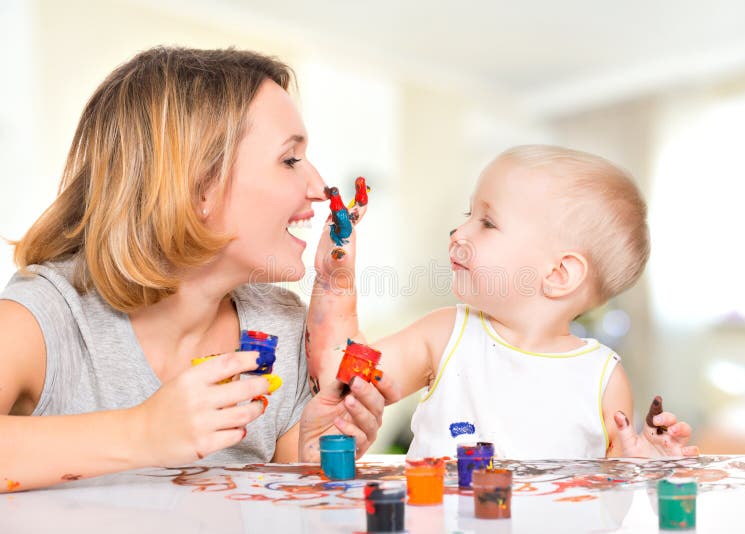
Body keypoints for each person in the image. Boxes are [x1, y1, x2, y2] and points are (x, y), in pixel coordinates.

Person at [0, 47, 390, 493]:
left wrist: (313, 456)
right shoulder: (46, 316)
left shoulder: (278, 328)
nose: (320, 188)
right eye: (289, 159)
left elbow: (284, 508)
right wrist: (142, 433)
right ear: (198, 186)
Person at [308, 144, 699, 459]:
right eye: (468, 214)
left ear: (558, 275)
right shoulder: (446, 333)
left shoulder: (603, 378)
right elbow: (342, 373)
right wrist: (335, 275)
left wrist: (641, 462)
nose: (458, 231)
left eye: (487, 222)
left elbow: (612, 493)